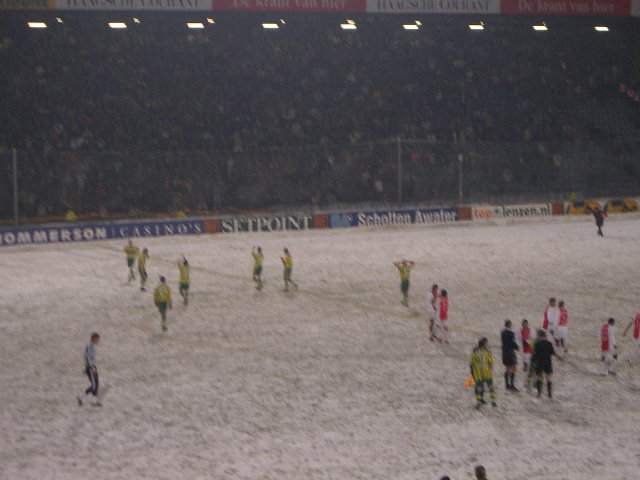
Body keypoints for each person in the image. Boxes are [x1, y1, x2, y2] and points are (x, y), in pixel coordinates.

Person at [531, 329, 560, 398]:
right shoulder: (549, 343)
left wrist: (533, 364)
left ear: (539, 336)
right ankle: (549, 394)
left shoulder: (537, 344)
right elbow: (553, 352)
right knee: (548, 377)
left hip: (539, 362)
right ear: (545, 336)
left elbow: (534, 355)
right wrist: (558, 356)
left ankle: (539, 394)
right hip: (548, 362)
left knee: (539, 377)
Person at [470, 337, 497, 409]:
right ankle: (493, 401)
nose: (488, 345)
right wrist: (491, 370)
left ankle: (478, 403)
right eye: (487, 343)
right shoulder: (487, 352)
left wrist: (472, 372)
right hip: (487, 372)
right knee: (491, 387)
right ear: (484, 344)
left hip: (478, 373)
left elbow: (471, 363)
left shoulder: (475, 352)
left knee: (479, 388)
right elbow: (491, 363)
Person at [78, 332, 101, 407]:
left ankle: (94, 401)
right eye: (97, 339)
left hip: (93, 367)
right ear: (94, 338)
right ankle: (81, 395)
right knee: (94, 386)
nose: (98, 341)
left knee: (96, 384)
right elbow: (87, 358)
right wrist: (92, 367)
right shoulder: (89, 347)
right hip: (91, 368)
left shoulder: (92, 347)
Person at [501, 319, 520, 391]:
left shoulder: (502, 332)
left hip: (504, 352)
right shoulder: (511, 333)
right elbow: (513, 342)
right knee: (514, 369)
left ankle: (507, 385)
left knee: (507, 368)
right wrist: (517, 347)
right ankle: (512, 385)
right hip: (510, 352)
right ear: (510, 325)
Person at [520, 319, 533, 389]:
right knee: (525, 367)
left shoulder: (530, 330)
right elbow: (524, 341)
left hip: (531, 351)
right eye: (523, 324)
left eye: (525, 324)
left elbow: (532, 338)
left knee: (531, 367)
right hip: (525, 351)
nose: (524, 325)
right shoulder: (522, 331)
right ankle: (525, 382)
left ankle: (529, 381)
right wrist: (529, 342)